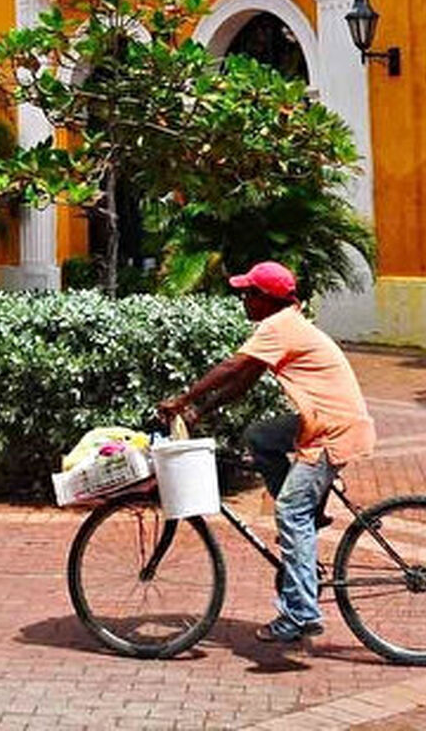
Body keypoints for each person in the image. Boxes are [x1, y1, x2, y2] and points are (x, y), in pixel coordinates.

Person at [158, 260, 375, 645]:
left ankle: (301, 614)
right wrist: (200, 411)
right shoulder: (284, 324)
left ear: (265, 299)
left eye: (248, 293)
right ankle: (308, 517)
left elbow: (231, 366)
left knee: (290, 512)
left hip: (330, 430)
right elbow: (243, 381)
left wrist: (182, 399)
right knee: (260, 436)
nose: (243, 299)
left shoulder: (278, 326)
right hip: (324, 419)